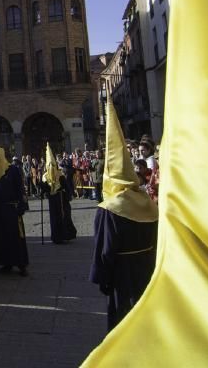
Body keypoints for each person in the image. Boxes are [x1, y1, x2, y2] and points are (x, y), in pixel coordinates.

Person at [90, 103, 159, 332]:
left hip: (122, 280)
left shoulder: (110, 209)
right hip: (149, 273)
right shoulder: (147, 202)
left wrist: (104, 280)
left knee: (124, 325)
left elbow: (105, 251)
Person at [0, 147, 29, 276]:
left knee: (15, 238)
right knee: (1, 238)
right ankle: (5, 262)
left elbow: (20, 189)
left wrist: (22, 206)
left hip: (11, 210)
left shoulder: (12, 170)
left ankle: (21, 264)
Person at [44, 144, 77, 244]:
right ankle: (56, 237)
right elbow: (45, 190)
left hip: (61, 199)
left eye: (53, 165)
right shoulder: (45, 176)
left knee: (64, 216)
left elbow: (65, 186)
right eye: (50, 166)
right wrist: (42, 188)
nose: (52, 168)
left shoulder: (60, 174)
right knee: (54, 218)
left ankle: (65, 235)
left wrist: (69, 194)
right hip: (52, 200)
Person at [138, 135, 159, 202]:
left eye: (143, 150)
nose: (140, 153)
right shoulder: (143, 158)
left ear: (149, 150)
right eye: (139, 151)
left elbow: (149, 175)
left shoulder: (151, 160)